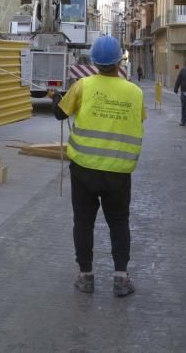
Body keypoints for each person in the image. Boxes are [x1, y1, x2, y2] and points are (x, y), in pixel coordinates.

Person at [52, 35, 145, 297]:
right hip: (118, 172)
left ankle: (86, 276)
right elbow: (139, 120)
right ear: (119, 62)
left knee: (83, 223)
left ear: (94, 62)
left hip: (84, 169)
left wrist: (56, 97)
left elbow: (60, 113)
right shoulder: (135, 92)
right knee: (118, 223)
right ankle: (121, 278)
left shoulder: (83, 86)